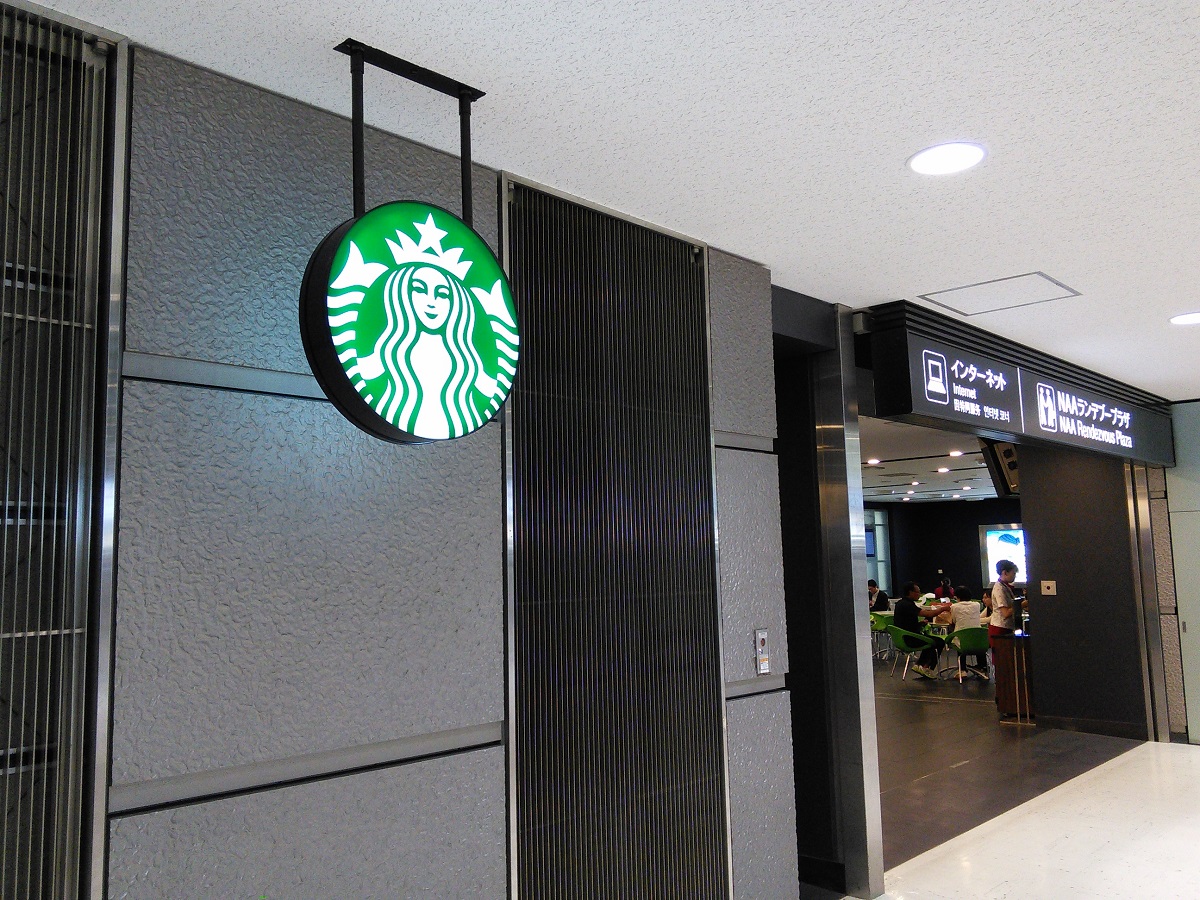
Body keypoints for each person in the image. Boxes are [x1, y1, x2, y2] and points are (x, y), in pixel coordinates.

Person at [892, 581, 951, 678]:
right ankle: (927, 668)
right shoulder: (908, 604)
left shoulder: (900, 603)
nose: (919, 594)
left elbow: (904, 623)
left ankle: (919, 664)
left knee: (930, 640)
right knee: (939, 642)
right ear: (910, 592)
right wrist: (943, 609)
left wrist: (920, 624)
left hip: (902, 637)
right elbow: (929, 614)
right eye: (917, 592)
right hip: (910, 638)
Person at [948, 586, 988, 677]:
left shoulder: (954, 607)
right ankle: (982, 667)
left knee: (960, 637)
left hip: (962, 641)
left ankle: (962, 670)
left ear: (957, 596)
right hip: (979, 641)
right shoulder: (977, 605)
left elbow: (953, 621)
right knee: (974, 637)